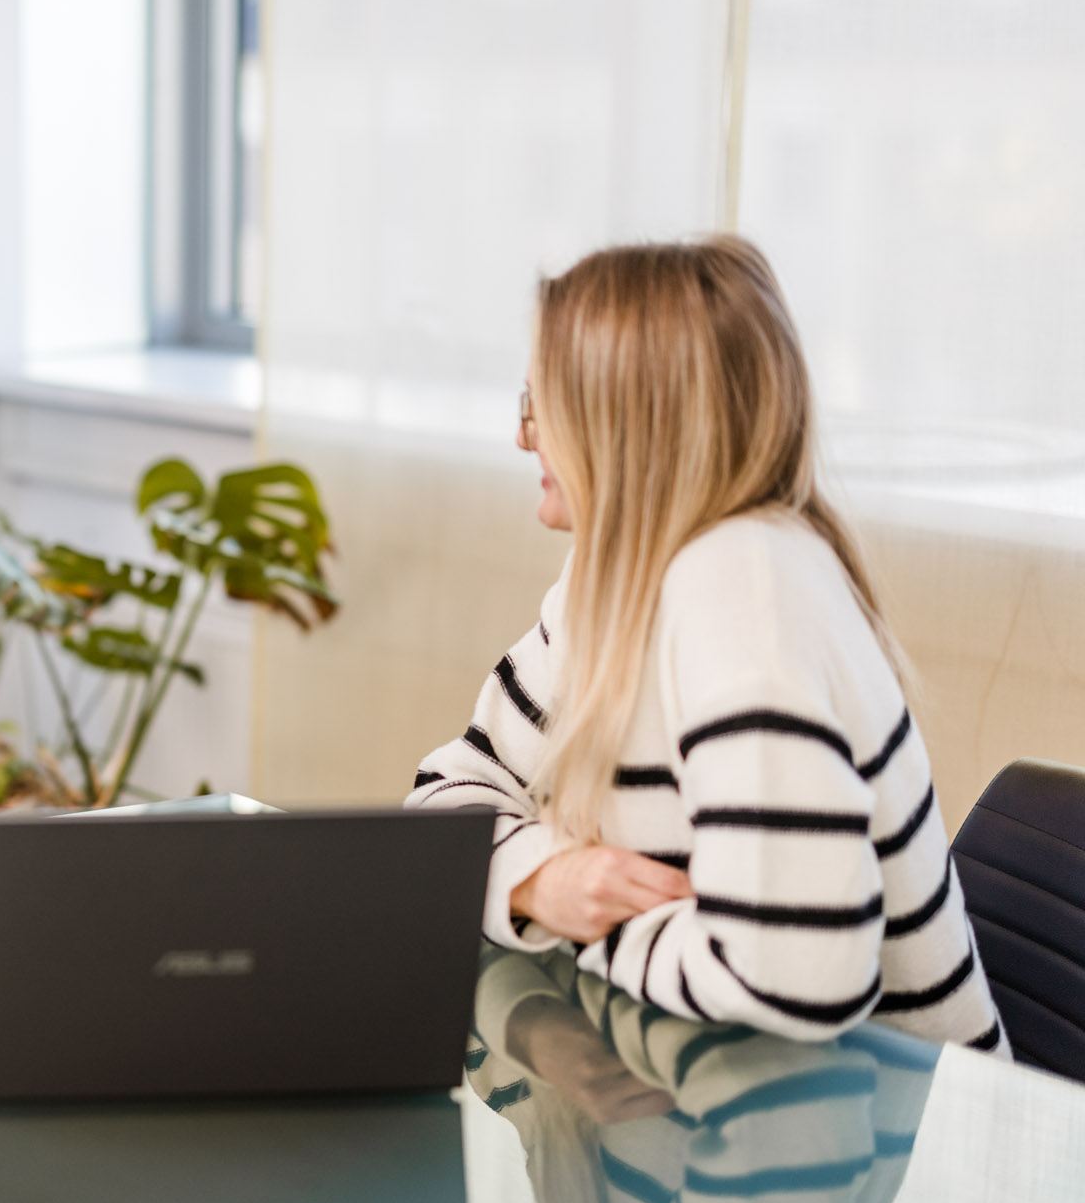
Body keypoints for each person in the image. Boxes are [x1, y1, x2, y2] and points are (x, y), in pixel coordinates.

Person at [406, 237, 1004, 1051]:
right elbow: (445, 796)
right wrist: (542, 879)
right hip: (711, 1097)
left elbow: (799, 980)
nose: (524, 437)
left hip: (882, 1142)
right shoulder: (611, 574)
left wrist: (587, 935)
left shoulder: (743, 587)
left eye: (544, 406)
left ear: (627, 422)